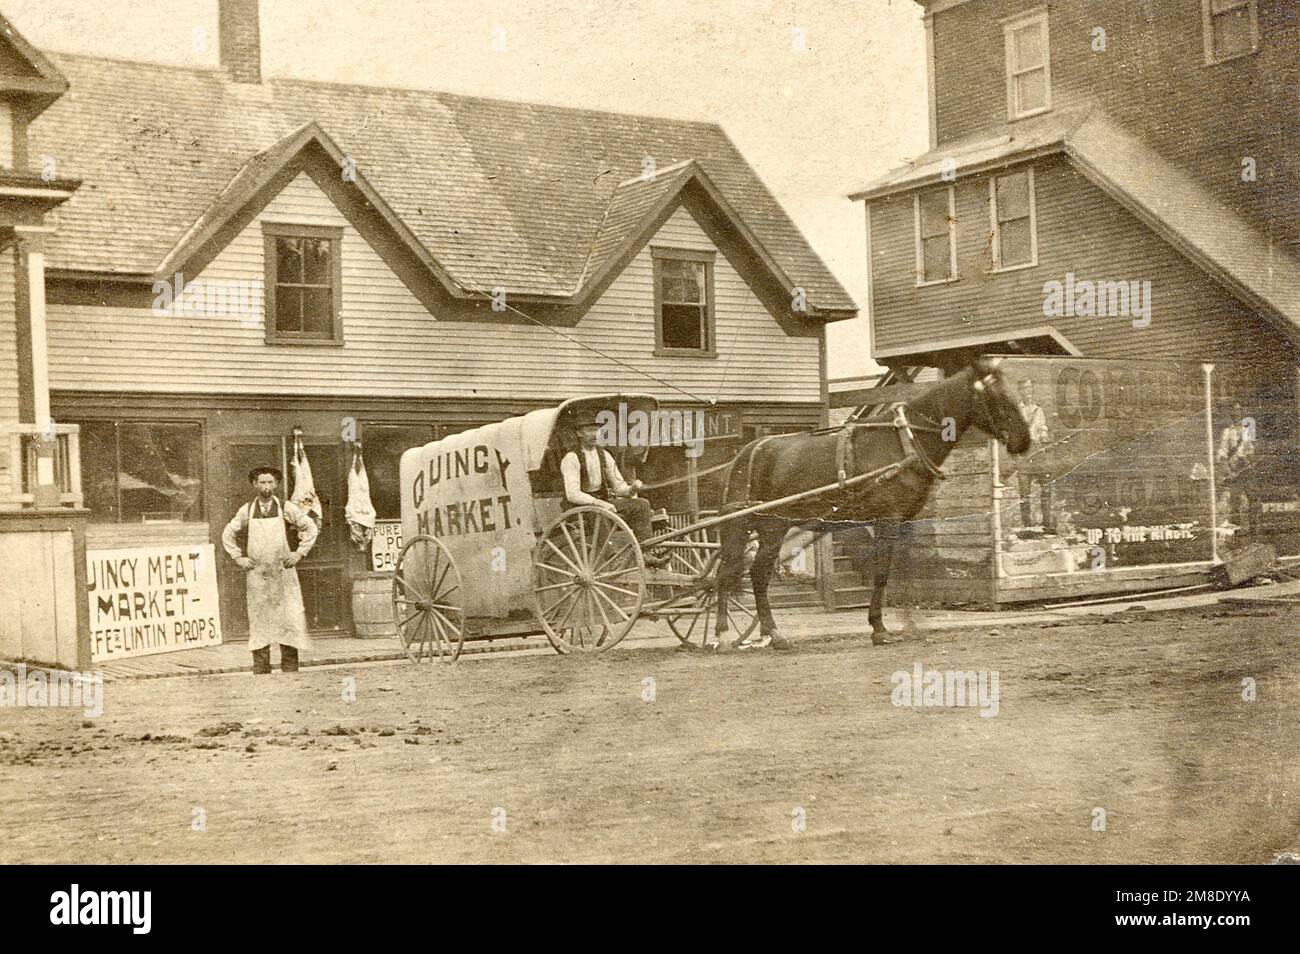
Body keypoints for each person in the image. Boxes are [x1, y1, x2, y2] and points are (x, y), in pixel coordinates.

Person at [222, 466, 319, 674]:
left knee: (288, 618)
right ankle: (261, 669)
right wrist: (238, 557)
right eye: (262, 482)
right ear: (255, 485)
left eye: (270, 482)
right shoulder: (247, 510)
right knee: (259, 619)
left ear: (276, 484)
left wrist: (299, 553)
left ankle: (290, 669)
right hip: (258, 575)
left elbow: (310, 527)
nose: (266, 486)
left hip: (282, 572)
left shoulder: (286, 507)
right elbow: (228, 533)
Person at [560, 418, 669, 567]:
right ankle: (614, 559)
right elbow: (573, 494)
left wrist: (631, 489)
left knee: (641, 505)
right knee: (599, 513)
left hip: (602, 503)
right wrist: (599, 503)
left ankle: (646, 553)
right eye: (590, 430)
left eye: (597, 430)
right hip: (578, 507)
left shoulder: (604, 455)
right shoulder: (571, 458)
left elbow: (618, 487)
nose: (595, 434)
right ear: (579, 433)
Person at [1014, 378, 1056, 534]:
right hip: (1024, 452)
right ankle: (1027, 525)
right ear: (1020, 391)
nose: (1028, 391)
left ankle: (1047, 523)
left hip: (1038, 452)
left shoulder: (1039, 410)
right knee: (1025, 492)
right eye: (1025, 388)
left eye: (1030, 388)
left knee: (1046, 488)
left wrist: (1045, 436)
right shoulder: (1017, 410)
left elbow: (1043, 429)